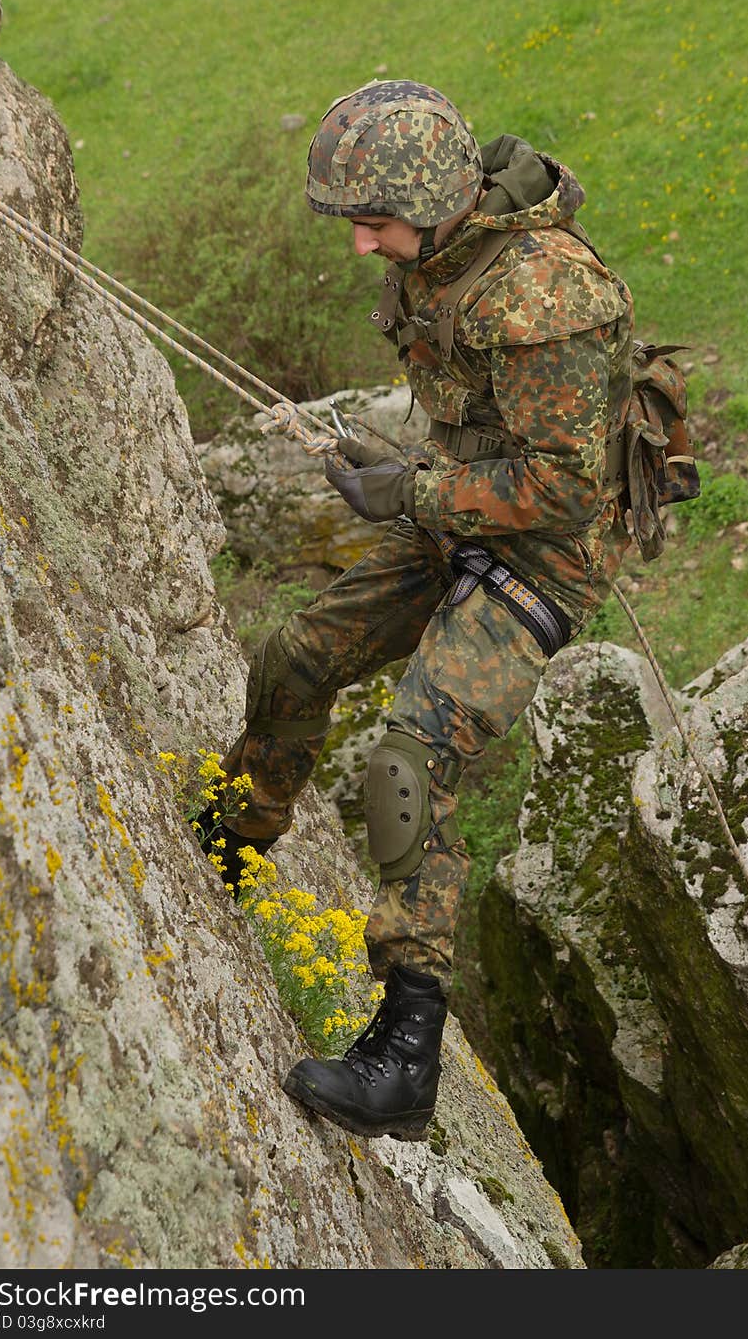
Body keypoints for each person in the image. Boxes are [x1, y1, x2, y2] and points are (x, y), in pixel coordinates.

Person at [194, 78, 634, 1140]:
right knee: (297, 654)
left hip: (548, 556)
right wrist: (409, 469)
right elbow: (473, 420)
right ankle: (243, 831)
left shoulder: (543, 296)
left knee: (408, 757)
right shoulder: (442, 253)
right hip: (457, 515)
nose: (361, 248)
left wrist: (410, 491)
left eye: (372, 225)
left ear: (436, 200)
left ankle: (406, 1052)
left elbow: (568, 488)